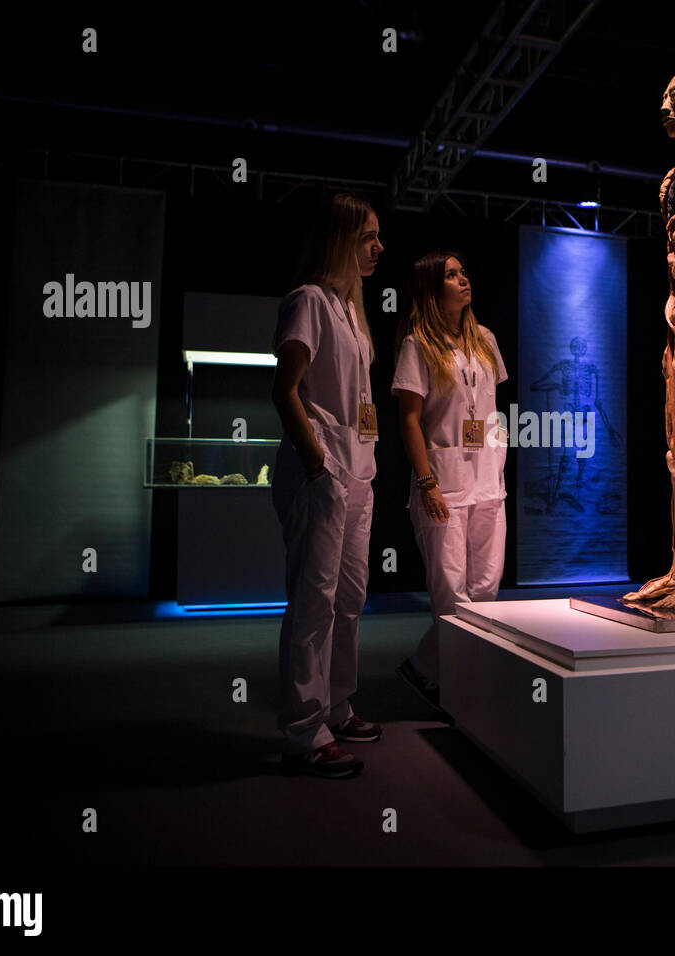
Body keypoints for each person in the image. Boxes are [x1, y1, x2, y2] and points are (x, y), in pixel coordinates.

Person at [269, 191, 385, 779]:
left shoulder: (350, 310)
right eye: (368, 237)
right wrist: (317, 467)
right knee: (313, 600)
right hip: (324, 471)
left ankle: (337, 706)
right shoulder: (309, 300)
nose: (378, 248)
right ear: (341, 238)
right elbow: (284, 389)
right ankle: (303, 730)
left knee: (349, 598)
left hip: (357, 471)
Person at [391, 252, 508, 714]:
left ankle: (426, 666)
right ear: (431, 289)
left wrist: (499, 466)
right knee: (452, 598)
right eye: (452, 275)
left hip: (487, 485)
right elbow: (409, 419)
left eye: (464, 271)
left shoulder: (485, 340)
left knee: (486, 592)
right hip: (443, 486)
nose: (464, 279)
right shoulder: (417, 344)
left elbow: (492, 409)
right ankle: (457, 690)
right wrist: (426, 482)